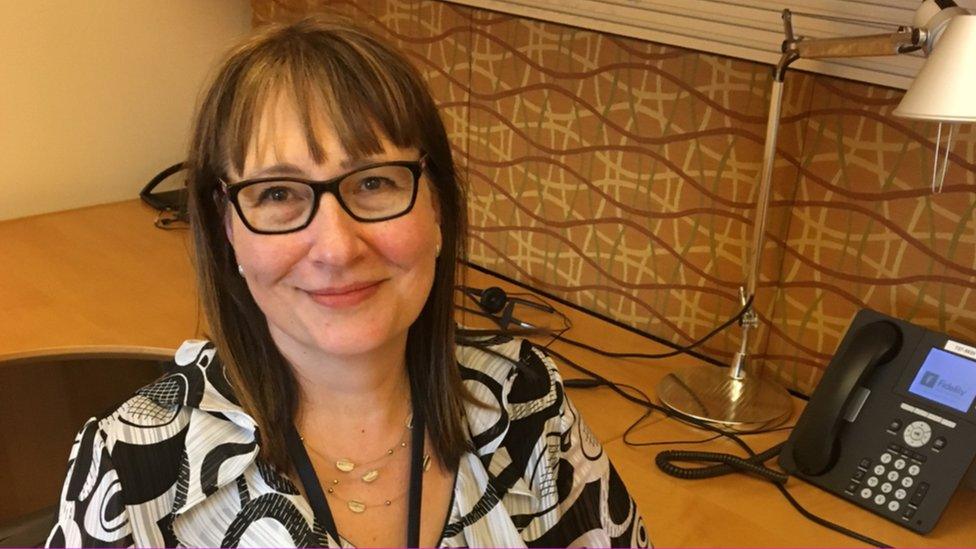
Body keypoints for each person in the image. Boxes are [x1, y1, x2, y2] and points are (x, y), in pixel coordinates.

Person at [46, 15, 648, 548]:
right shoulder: (131, 473)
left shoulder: (525, 402)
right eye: (278, 194)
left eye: (374, 182)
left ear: (436, 207)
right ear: (225, 227)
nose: (336, 248)